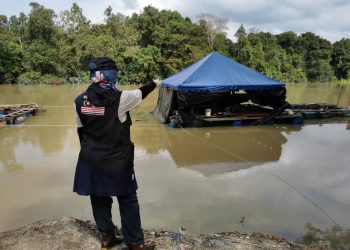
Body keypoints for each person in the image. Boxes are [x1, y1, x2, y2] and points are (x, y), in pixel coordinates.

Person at [73, 57, 160, 250]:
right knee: (128, 199)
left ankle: (107, 236)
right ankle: (135, 243)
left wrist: (92, 152)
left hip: (90, 159)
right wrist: (155, 83)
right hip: (117, 161)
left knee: (98, 196)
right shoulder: (122, 99)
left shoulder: (79, 101)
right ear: (111, 76)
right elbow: (141, 92)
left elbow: (81, 132)